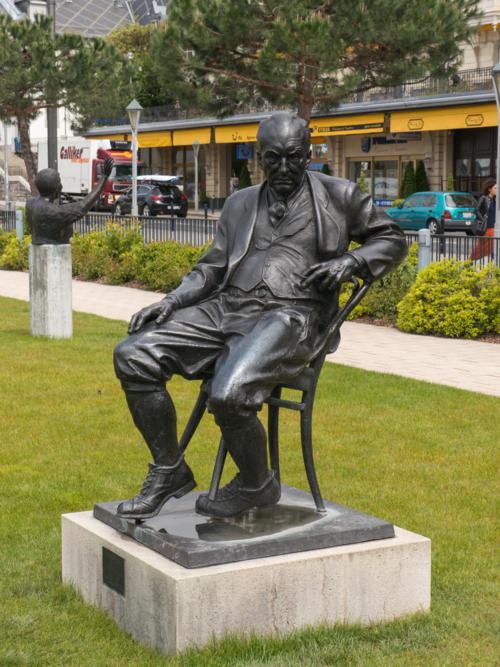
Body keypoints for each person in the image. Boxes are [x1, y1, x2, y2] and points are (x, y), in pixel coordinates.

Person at [113, 111, 408, 520]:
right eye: (273, 158)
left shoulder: (341, 196)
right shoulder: (240, 202)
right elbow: (211, 268)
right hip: (225, 308)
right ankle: (169, 470)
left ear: (309, 154)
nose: (283, 168)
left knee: (229, 394)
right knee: (132, 354)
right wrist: (172, 301)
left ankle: (256, 484)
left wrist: (352, 262)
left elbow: (392, 238)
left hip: (292, 316)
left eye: (292, 157)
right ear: (259, 157)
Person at [26, 158, 113, 245]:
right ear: (56, 189)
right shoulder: (52, 211)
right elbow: (83, 206)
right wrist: (104, 178)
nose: (61, 186)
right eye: (59, 183)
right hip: (53, 248)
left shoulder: (30, 203)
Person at [470, 180, 496, 261]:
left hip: (493, 228)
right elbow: (476, 210)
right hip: (485, 228)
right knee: (480, 249)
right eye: (495, 188)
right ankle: (469, 263)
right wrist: (483, 219)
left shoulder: (496, 200)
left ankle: (494, 267)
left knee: (492, 248)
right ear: (489, 189)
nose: (497, 190)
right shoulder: (484, 198)